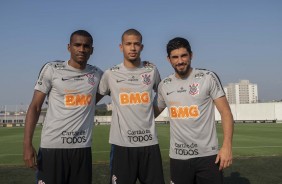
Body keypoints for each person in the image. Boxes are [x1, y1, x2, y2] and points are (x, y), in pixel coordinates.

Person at [23, 30, 103, 184]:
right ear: (69, 47)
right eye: (77, 45)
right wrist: (27, 144)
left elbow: (102, 94)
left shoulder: (97, 74)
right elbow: (35, 106)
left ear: (92, 50)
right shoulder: (52, 69)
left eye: (86, 46)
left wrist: (141, 65)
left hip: (82, 149)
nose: (81, 49)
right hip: (51, 148)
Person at [154, 37, 234, 184]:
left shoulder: (208, 77)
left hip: (208, 156)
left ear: (191, 55)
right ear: (168, 59)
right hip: (179, 158)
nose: (180, 61)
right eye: (175, 57)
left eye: (184, 55)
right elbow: (151, 113)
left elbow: (226, 112)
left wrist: (227, 146)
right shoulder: (164, 85)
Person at [98, 29, 165, 184]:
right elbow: (93, 99)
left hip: (149, 144)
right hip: (122, 147)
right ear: (121, 47)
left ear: (141, 47)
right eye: (128, 44)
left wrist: (150, 115)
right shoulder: (110, 74)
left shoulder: (151, 70)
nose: (133, 48)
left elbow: (162, 95)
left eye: (136, 44)